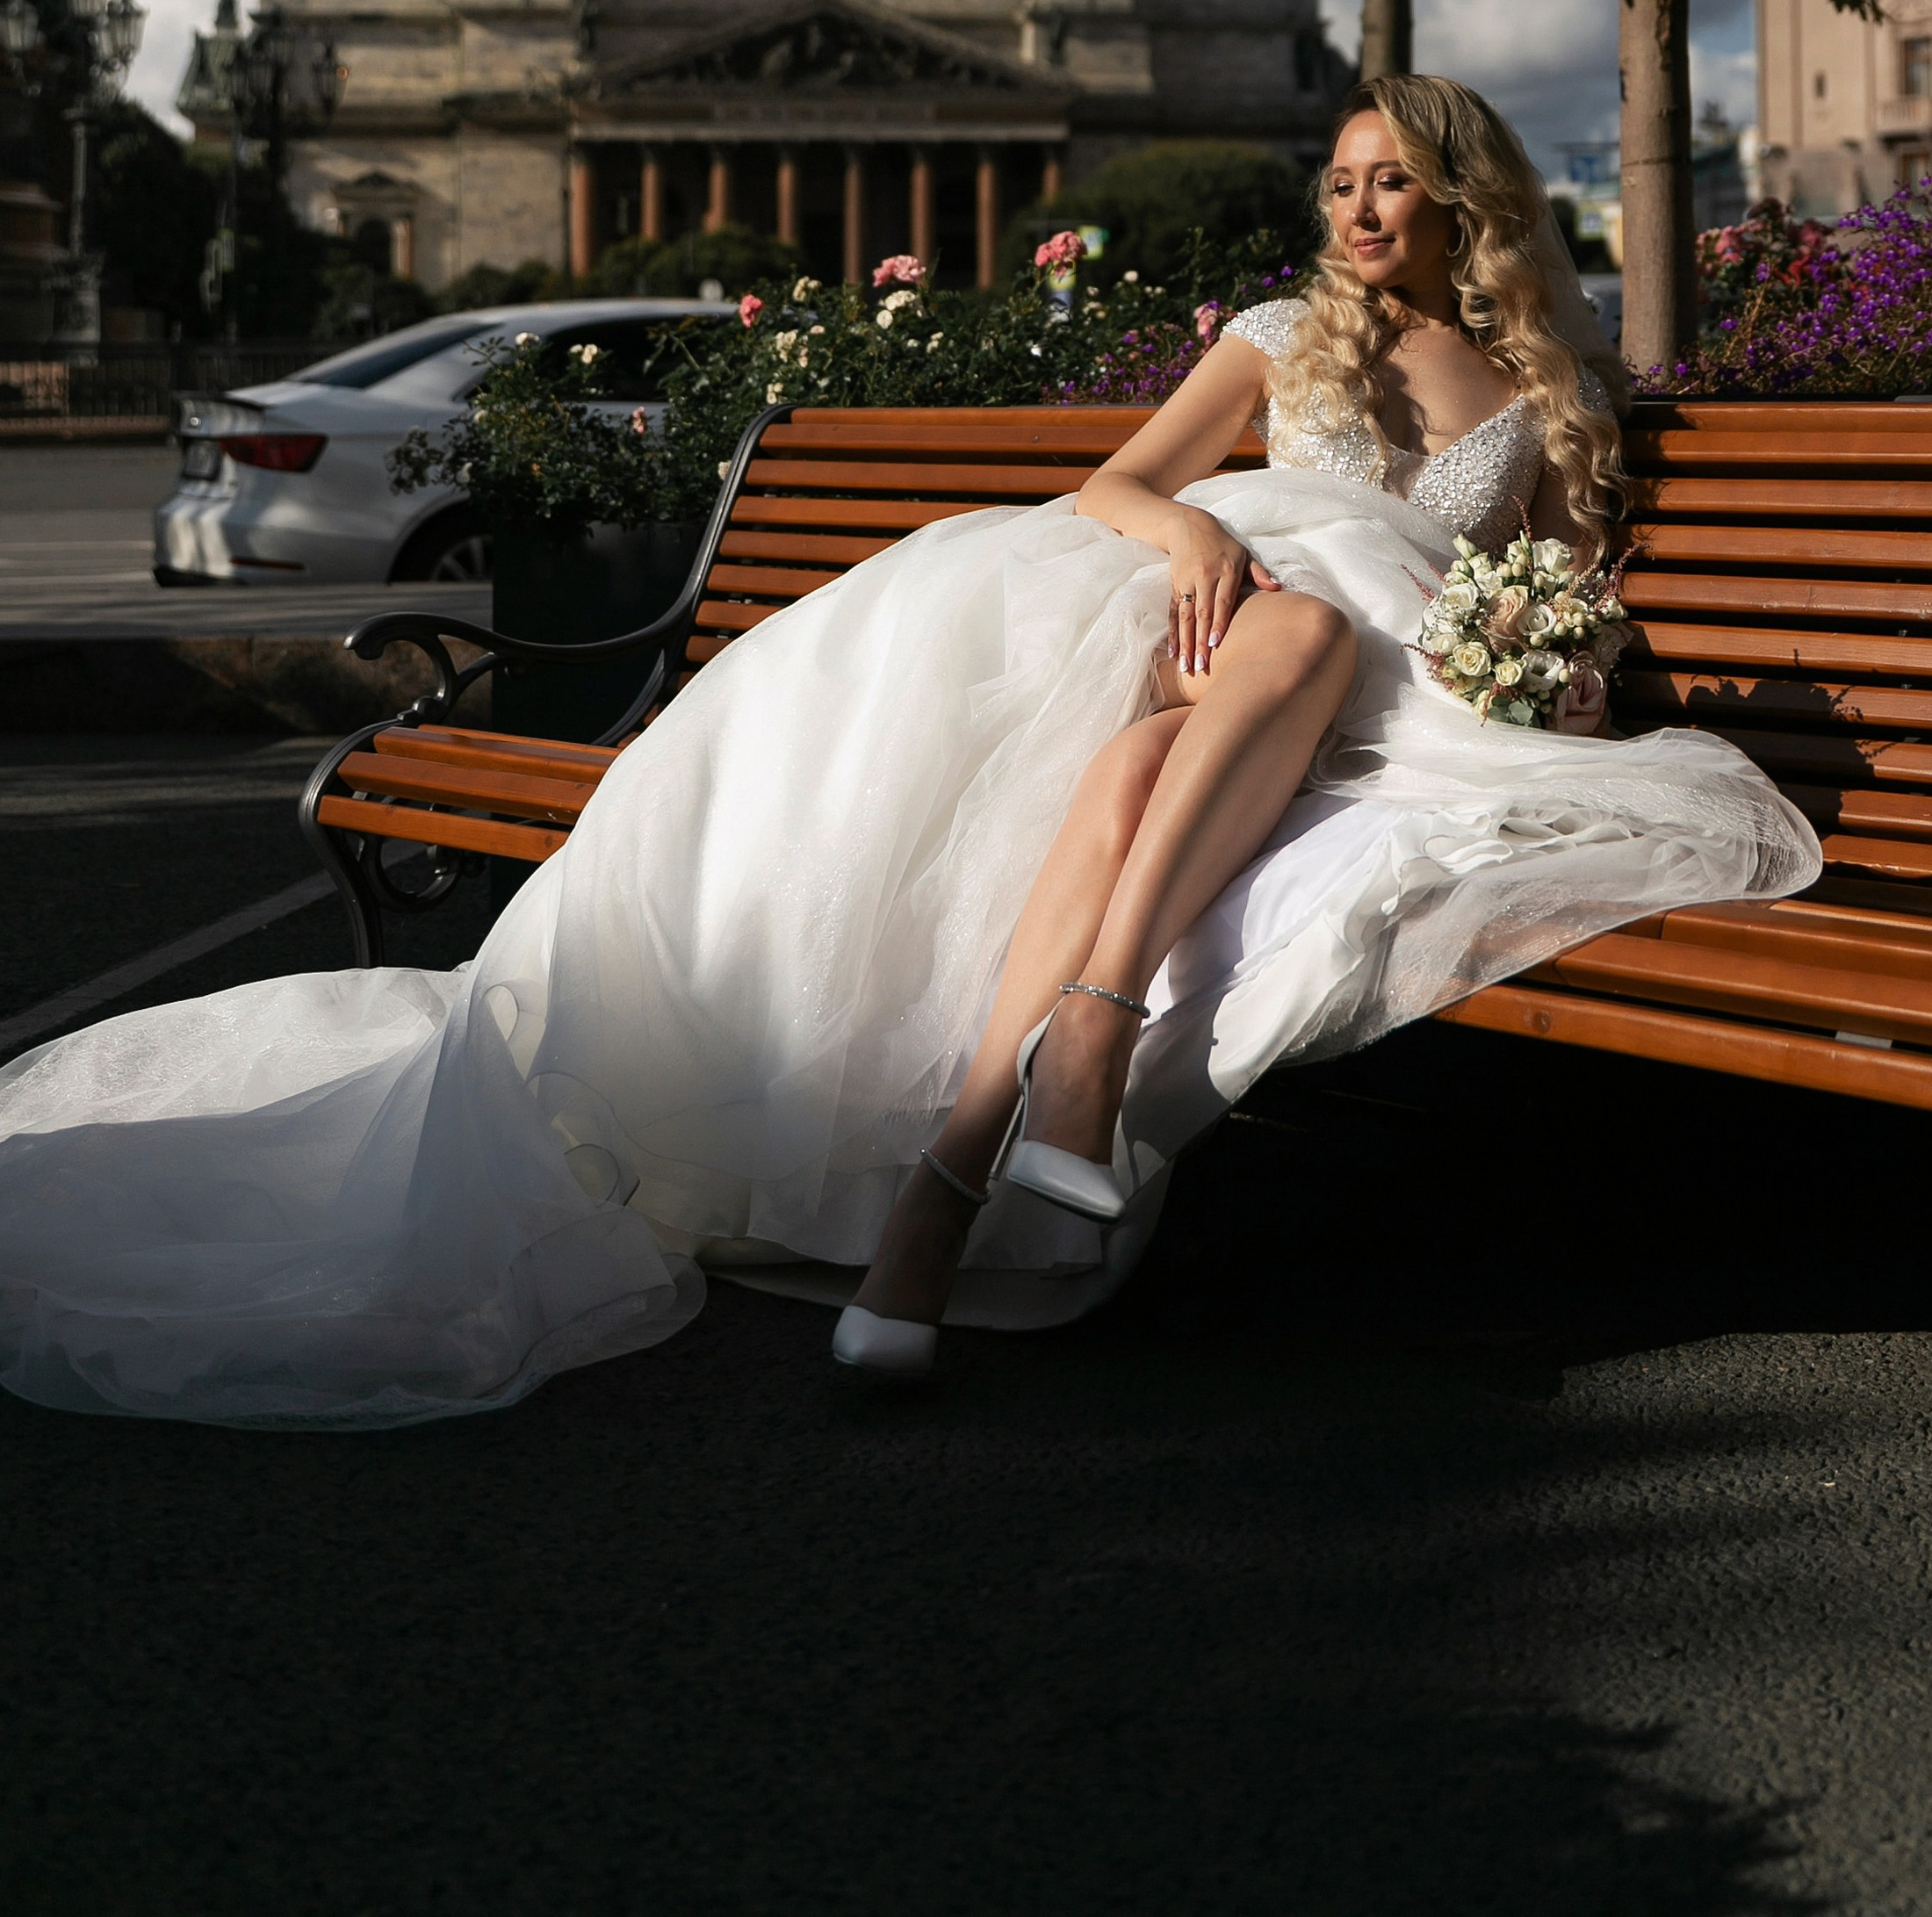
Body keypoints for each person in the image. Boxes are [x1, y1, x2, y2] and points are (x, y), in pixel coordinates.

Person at [0, 78, 1816, 1427]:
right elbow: (1116, 483)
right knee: (1230, 666)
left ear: (1461, 201)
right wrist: (1187, 533)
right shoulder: (1272, 343)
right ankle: (1039, 1107)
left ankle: (943, 1195)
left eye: (1389, 184)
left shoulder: (1545, 398)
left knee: (1197, 726)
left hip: (1383, 699)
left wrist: (1549, 676)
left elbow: (1561, 606)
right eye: (1335, 183)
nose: (1352, 213)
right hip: (1230, 657)